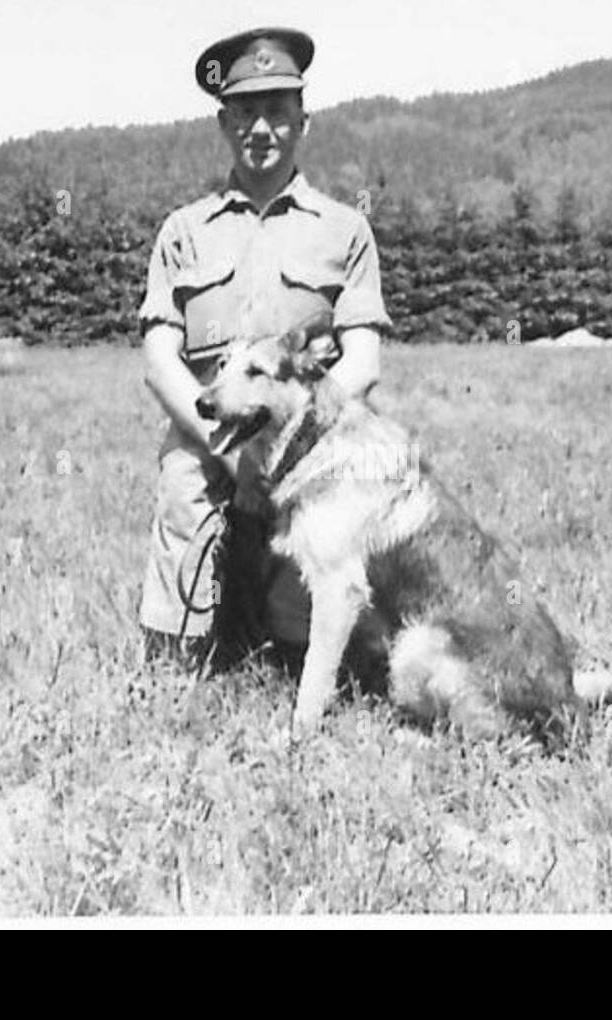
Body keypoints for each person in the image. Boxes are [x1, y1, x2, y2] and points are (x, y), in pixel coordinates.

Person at [138, 26, 391, 666]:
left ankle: (316, 648)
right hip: (212, 432)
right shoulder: (183, 232)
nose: (261, 129)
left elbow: (362, 360)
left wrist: (291, 452)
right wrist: (226, 454)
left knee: (329, 563)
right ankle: (181, 649)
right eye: (245, 113)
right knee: (183, 482)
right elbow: (159, 358)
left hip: (312, 443)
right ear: (224, 123)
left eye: (277, 112)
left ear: (303, 121)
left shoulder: (346, 229)